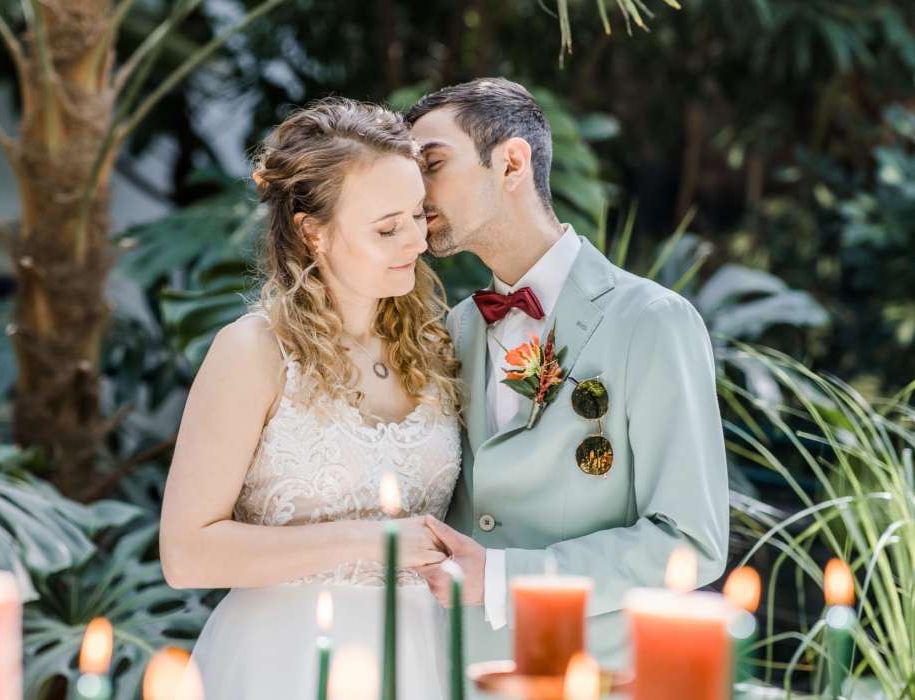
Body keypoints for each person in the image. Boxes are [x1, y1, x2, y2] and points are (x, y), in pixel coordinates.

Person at [404, 77, 730, 689]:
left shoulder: (652, 321)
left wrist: (503, 577)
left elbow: (688, 541)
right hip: (461, 675)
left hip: (595, 675)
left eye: (434, 164)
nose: (415, 192)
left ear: (512, 162)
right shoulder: (453, 329)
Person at [159, 97, 463, 699]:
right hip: (284, 661)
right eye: (386, 228)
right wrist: (372, 542)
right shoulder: (254, 352)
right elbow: (186, 553)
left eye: (417, 216)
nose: (416, 241)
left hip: (419, 659)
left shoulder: (436, 347)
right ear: (312, 231)